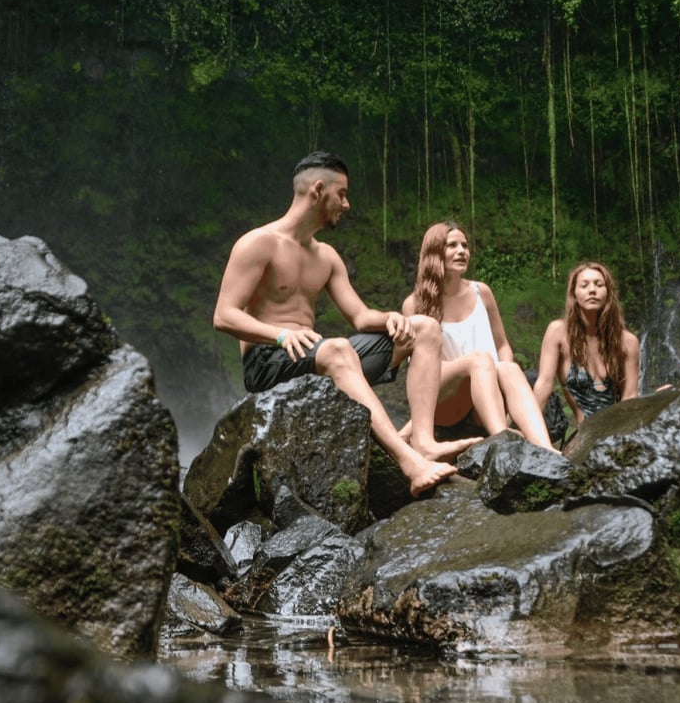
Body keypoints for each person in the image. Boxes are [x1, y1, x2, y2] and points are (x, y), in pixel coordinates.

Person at [214, 151, 478, 495]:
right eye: (342, 194)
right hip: (267, 364)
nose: (347, 204)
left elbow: (360, 317)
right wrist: (279, 335)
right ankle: (409, 463)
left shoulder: (326, 256)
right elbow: (224, 314)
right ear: (318, 189)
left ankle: (425, 442)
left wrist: (392, 318)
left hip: (316, 359)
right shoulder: (258, 244)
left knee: (424, 328)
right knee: (336, 348)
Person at [400, 221, 554, 449]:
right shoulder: (414, 304)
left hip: (484, 398)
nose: (462, 251)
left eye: (465, 245)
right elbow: (421, 375)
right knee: (480, 359)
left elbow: (502, 345)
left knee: (509, 367)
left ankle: (547, 449)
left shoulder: (482, 292)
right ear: (434, 252)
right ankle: (504, 441)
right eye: (452, 245)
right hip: (444, 401)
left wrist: (501, 375)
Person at [534, 261, 640, 430]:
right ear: (574, 294)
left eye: (599, 284)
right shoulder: (558, 333)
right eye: (584, 285)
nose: (592, 290)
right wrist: (526, 432)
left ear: (608, 293)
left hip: (618, 427)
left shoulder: (628, 342)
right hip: (585, 431)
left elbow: (630, 396)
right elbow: (544, 384)